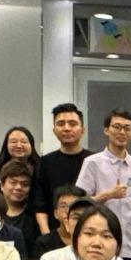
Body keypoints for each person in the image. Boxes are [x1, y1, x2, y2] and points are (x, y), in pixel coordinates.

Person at [75, 108, 131, 260]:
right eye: (117, 127)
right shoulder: (92, 163)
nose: (122, 132)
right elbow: (82, 203)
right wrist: (108, 195)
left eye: (127, 128)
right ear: (106, 130)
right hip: (101, 242)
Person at [31, 103, 91, 241]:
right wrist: (48, 237)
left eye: (72, 123)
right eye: (61, 124)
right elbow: (40, 205)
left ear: (83, 130)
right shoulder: (44, 163)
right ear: (54, 130)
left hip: (87, 234)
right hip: (54, 234)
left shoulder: (94, 161)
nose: (66, 128)